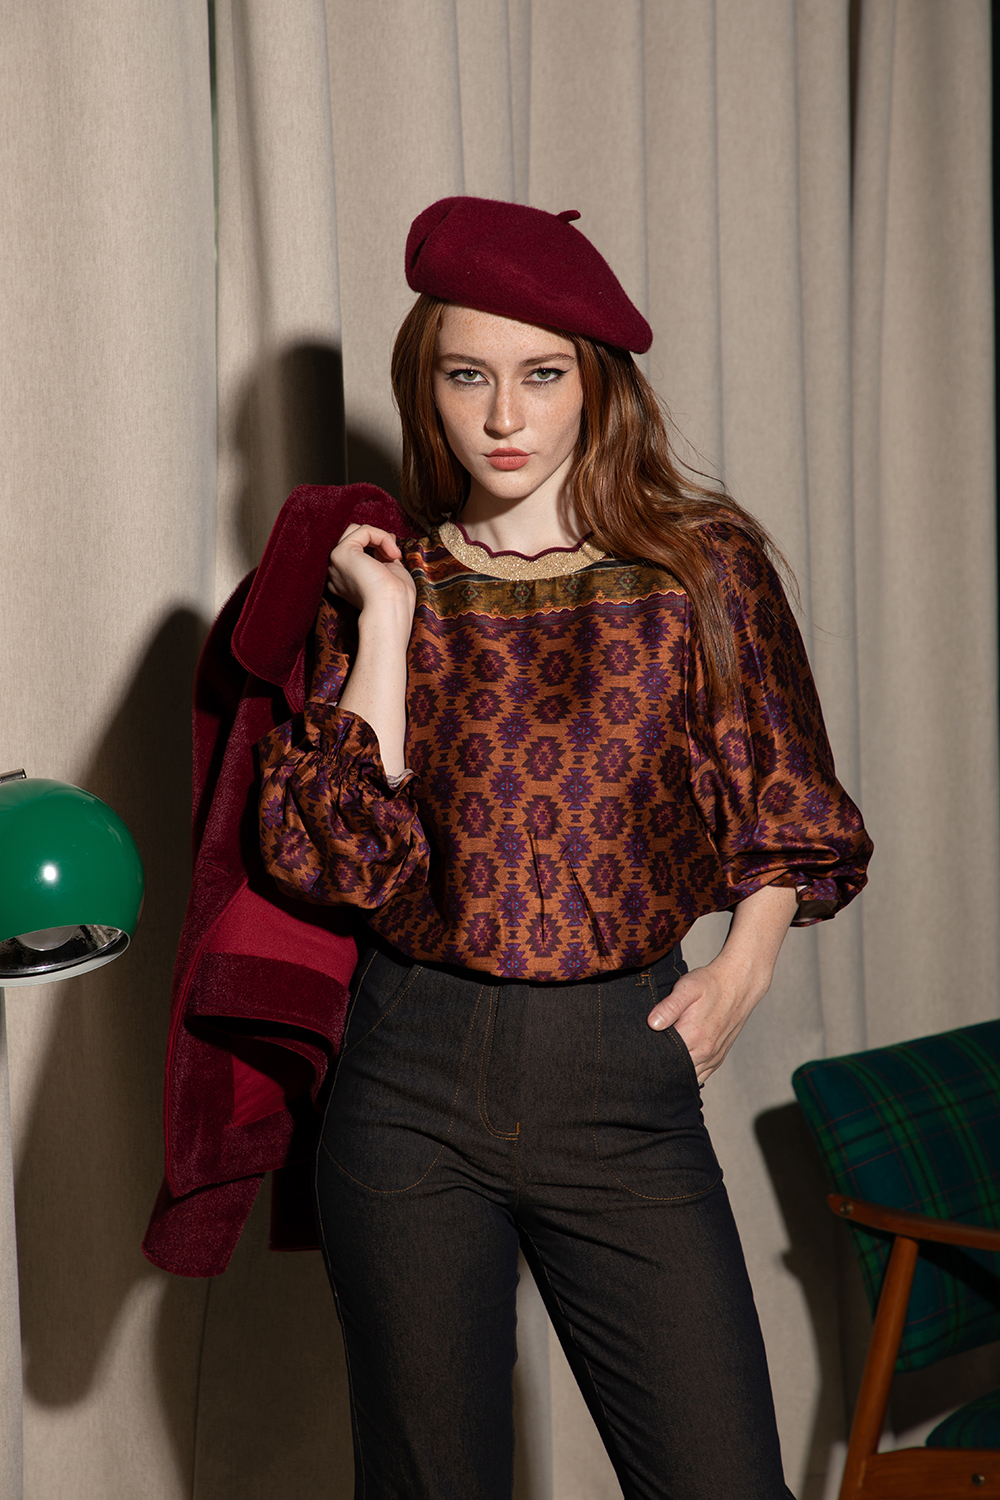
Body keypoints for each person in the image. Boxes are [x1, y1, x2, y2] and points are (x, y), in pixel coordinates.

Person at [257, 197, 872, 1500]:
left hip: (618, 1076)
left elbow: (785, 797)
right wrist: (383, 622)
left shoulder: (700, 567)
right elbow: (346, 863)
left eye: (541, 376)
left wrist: (746, 966)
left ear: (597, 384)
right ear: (424, 388)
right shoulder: (389, 581)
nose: (504, 417)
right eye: (466, 376)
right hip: (408, 1080)